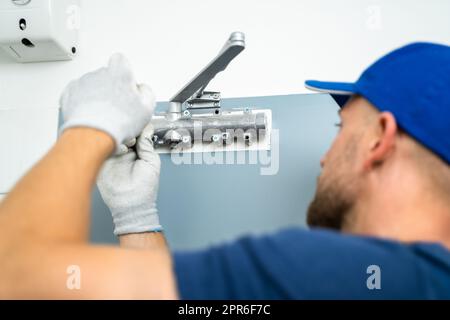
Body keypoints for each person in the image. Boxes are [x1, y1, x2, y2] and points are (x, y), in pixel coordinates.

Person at [0, 43, 449, 299]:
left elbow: (15, 276)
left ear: (379, 139)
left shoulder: (331, 272)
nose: (324, 156)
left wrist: (87, 128)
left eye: (341, 128)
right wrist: (135, 216)